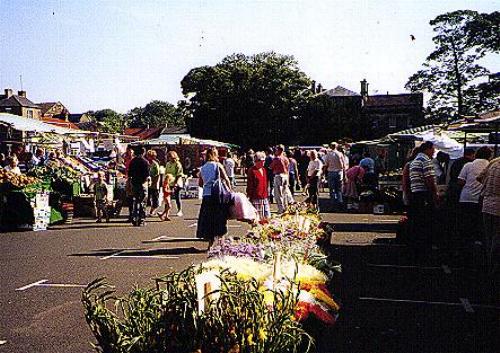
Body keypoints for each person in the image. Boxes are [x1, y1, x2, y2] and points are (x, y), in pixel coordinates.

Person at [197, 147, 232, 247]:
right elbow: (226, 179)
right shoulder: (217, 165)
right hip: (217, 195)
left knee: (208, 220)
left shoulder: (202, 168)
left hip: (206, 195)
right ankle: (221, 242)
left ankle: (210, 243)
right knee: (219, 218)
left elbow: (200, 183)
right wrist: (230, 191)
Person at [408, 141, 438, 261]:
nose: (434, 152)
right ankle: (424, 251)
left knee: (417, 223)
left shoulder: (415, 160)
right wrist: (435, 194)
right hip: (424, 195)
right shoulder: (425, 160)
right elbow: (429, 179)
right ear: (428, 149)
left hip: (415, 193)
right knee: (425, 222)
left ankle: (416, 249)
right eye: (433, 149)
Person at [457, 147, 492, 242]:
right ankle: (478, 243)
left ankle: (464, 243)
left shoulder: (468, 165)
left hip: (465, 197)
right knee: (478, 223)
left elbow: (460, 181)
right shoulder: (490, 166)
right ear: (489, 156)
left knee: (465, 224)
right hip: (481, 199)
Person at [477, 156, 500, 279]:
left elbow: (479, 178)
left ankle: (488, 266)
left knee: (489, 238)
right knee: (497, 238)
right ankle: (494, 269)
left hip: (486, 204)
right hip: (498, 207)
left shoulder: (493, 163)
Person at [127, 147, 150, 225]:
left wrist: (130, 183)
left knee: (136, 200)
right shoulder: (145, 162)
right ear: (143, 152)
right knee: (143, 201)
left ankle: (134, 217)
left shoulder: (132, 161)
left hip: (134, 182)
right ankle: (141, 219)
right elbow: (147, 174)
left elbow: (129, 174)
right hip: (142, 183)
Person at [246, 152, 271, 221]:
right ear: (257, 161)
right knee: (257, 219)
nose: (264, 162)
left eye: (264, 161)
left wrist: (267, 195)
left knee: (267, 217)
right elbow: (250, 185)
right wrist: (249, 196)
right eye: (262, 161)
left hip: (264, 197)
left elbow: (265, 183)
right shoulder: (252, 170)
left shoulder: (263, 170)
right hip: (256, 197)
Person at [270, 145, 293, 213]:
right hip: (285, 175)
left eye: (276, 150)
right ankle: (286, 207)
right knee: (284, 193)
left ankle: (281, 209)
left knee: (278, 193)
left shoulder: (276, 158)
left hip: (278, 175)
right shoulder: (286, 158)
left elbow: (271, 167)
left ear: (279, 150)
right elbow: (287, 167)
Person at [323, 142, 346, 209]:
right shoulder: (340, 154)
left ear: (331, 146)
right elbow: (343, 165)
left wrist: (323, 173)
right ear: (336, 146)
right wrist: (344, 175)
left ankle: (332, 202)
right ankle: (340, 201)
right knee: (339, 188)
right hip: (339, 172)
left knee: (332, 189)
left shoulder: (328, 154)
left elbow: (326, 164)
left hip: (331, 172)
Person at [165, 151, 184, 217]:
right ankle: (166, 212)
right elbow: (166, 173)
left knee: (177, 197)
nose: (169, 158)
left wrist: (175, 183)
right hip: (169, 183)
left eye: (170, 157)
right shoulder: (168, 164)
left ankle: (179, 210)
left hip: (177, 183)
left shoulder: (178, 164)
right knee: (167, 198)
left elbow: (179, 175)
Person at [146, 150, 161, 216]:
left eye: (150, 156)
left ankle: (152, 211)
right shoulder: (147, 163)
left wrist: (154, 183)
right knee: (147, 197)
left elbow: (157, 175)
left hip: (154, 183)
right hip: (148, 182)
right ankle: (148, 210)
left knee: (155, 197)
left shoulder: (155, 164)